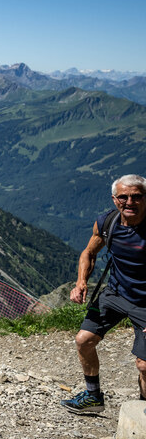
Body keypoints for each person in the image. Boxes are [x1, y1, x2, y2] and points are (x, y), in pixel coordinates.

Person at [63, 174, 146, 414]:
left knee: (144, 365)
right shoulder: (107, 223)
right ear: (114, 199)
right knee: (83, 340)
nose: (129, 202)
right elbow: (88, 253)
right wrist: (81, 283)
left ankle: (141, 413)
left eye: (136, 196)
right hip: (116, 294)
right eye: (123, 197)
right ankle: (93, 396)